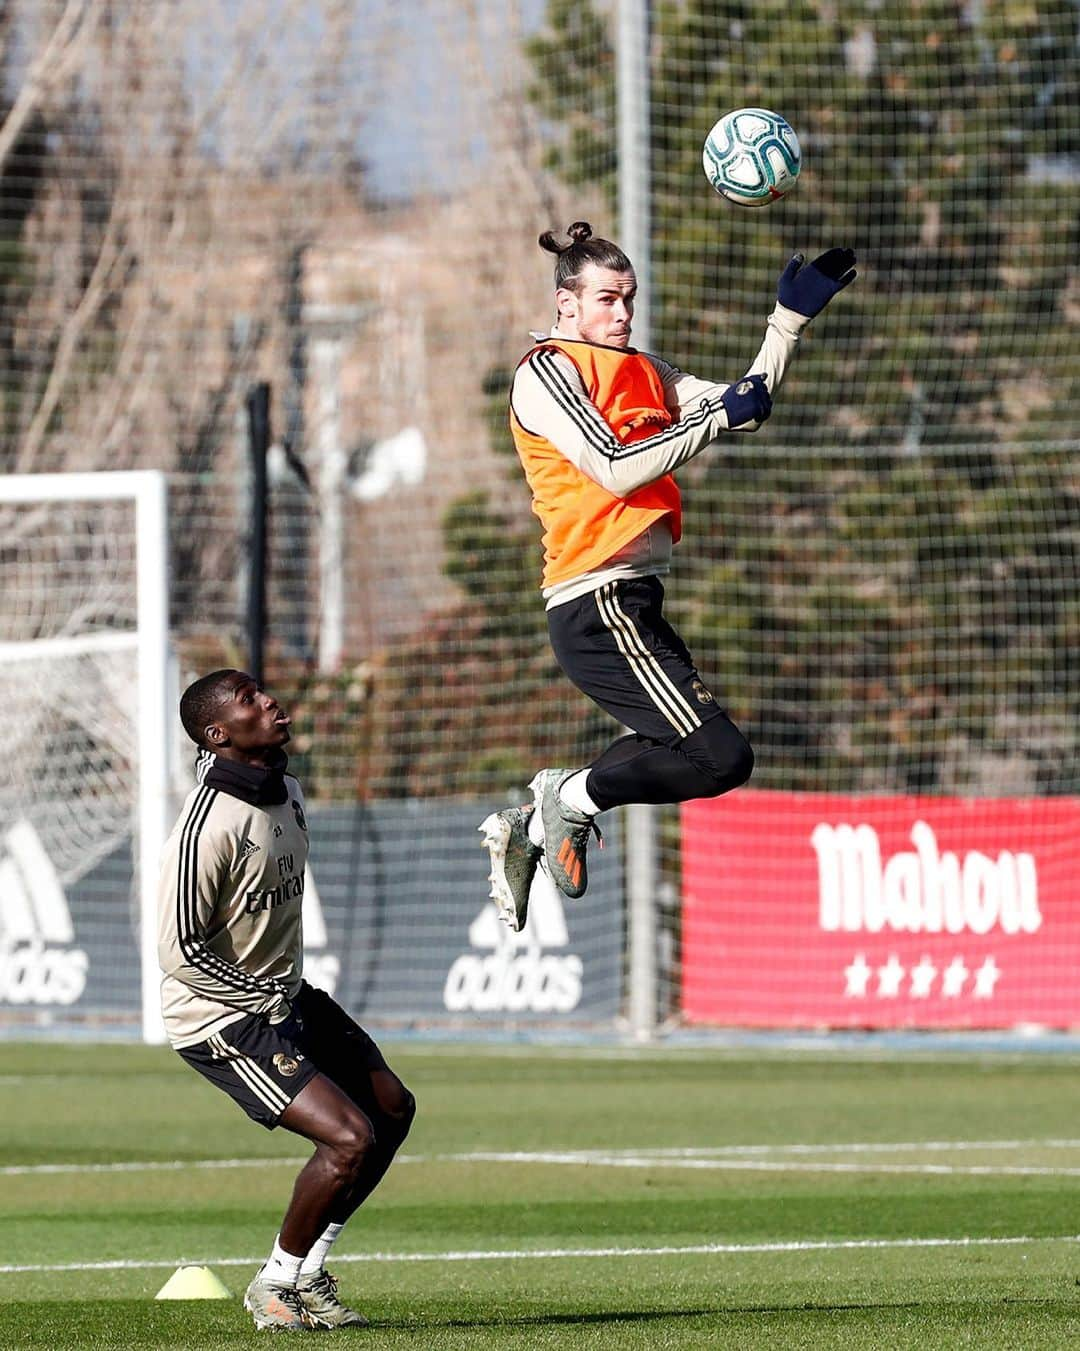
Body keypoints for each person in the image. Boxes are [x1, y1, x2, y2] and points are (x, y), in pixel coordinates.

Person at [480, 222, 856, 930]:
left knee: (708, 756)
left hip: (632, 600)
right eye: (605, 300)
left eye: (628, 299)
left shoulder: (646, 368)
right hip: (595, 600)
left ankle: (539, 824)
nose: (621, 314)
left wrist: (787, 324)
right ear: (566, 304)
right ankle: (566, 800)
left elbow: (744, 404)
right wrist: (719, 417)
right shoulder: (547, 370)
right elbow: (617, 468)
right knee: (720, 755)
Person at [158, 669, 416, 1332]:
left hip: (285, 995)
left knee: (390, 1108)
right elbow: (180, 950)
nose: (269, 700)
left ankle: (306, 1273)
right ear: (218, 735)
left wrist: (282, 992)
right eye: (248, 700)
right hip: (220, 1019)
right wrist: (258, 997)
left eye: (260, 690)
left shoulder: (288, 792)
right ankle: (273, 1285)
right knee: (349, 1136)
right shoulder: (205, 827)